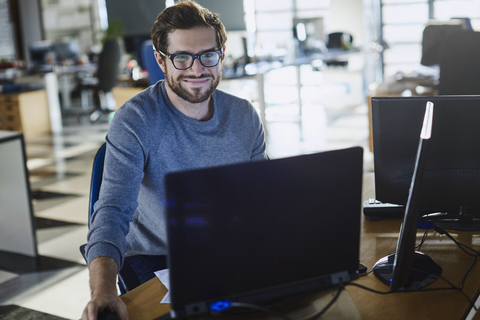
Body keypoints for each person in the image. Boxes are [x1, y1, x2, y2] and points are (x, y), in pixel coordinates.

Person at [81, 1, 268, 319]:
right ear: (161, 60)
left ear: (221, 55)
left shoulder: (243, 115)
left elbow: (264, 196)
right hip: (157, 256)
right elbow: (112, 211)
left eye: (207, 55)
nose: (197, 70)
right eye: (182, 57)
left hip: (225, 247)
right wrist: (103, 291)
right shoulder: (136, 119)